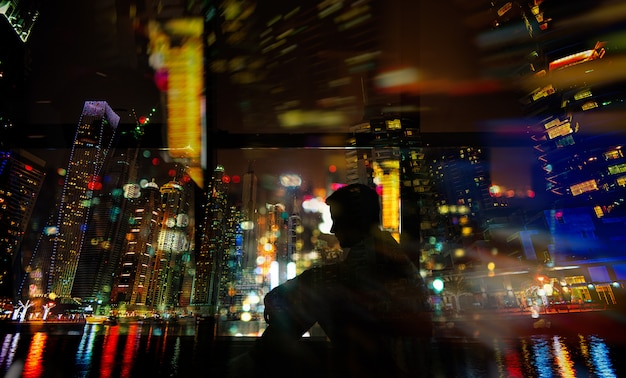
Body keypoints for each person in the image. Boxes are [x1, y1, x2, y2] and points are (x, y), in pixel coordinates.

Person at [229, 184, 431, 377]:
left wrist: (284, 293)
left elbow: (326, 281)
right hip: (392, 363)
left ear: (356, 221)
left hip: (389, 369)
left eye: (337, 220)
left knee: (311, 300)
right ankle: (252, 363)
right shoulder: (381, 249)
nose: (333, 229)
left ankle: (249, 365)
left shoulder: (375, 255)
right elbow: (332, 278)